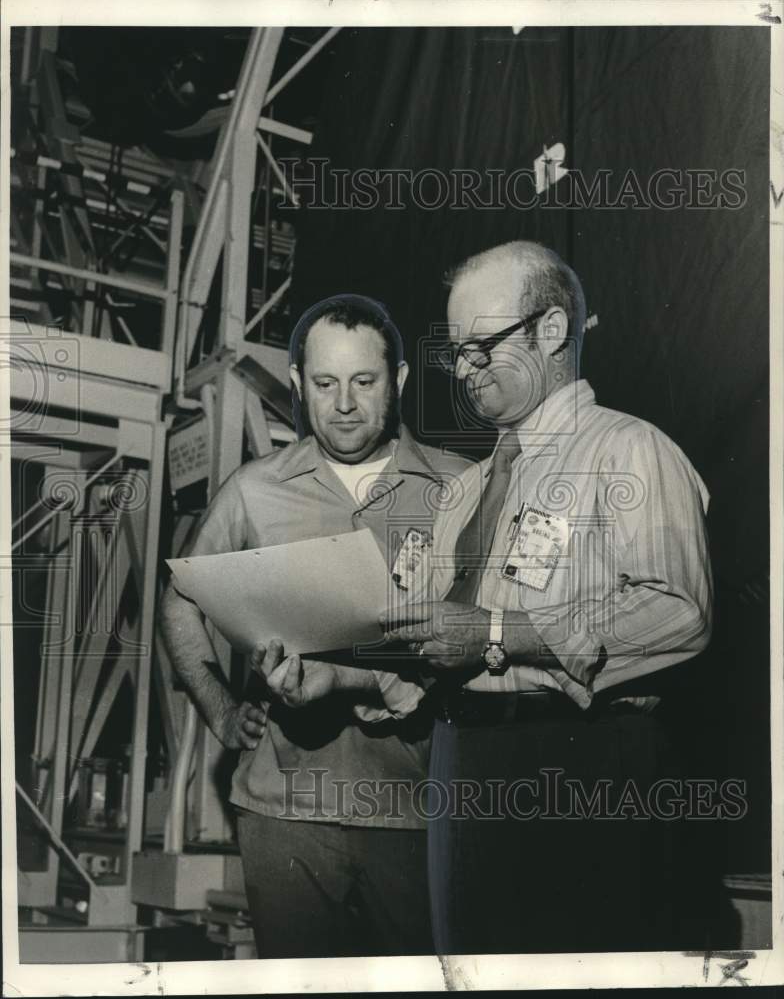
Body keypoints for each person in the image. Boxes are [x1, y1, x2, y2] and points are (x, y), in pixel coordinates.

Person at [269, 242, 713, 954]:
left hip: (579, 760)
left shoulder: (630, 452)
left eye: (483, 346)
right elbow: (435, 644)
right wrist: (335, 678)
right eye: (456, 353)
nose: (467, 370)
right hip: (461, 760)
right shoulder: (467, 491)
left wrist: (502, 631)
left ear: (552, 331)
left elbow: (679, 612)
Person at [160, 294, 470, 959]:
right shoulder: (253, 491)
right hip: (284, 816)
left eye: (365, 381)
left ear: (402, 380)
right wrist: (218, 707)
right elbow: (179, 599)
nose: (346, 404)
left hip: (417, 812)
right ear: (297, 384)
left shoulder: (462, 489)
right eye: (325, 384)